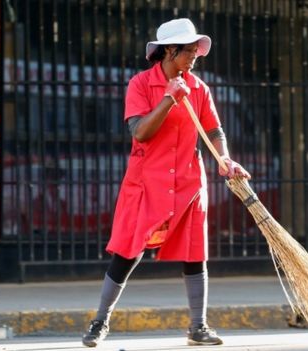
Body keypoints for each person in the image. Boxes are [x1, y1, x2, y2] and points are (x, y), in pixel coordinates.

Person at [81, 18, 251, 348]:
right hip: (146, 183)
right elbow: (139, 132)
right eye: (189, 52)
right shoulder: (141, 85)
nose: (194, 58)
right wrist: (169, 98)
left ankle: (198, 326)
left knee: (194, 253)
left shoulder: (200, 88)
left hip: (189, 182)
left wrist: (225, 158)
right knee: (128, 252)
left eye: (196, 54)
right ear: (170, 51)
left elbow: (214, 130)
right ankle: (100, 321)